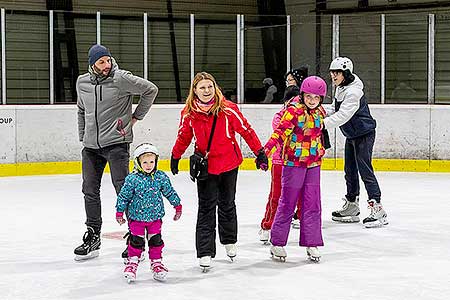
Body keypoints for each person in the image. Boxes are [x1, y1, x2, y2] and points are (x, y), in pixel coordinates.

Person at [170, 71, 268, 270]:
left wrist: (259, 151)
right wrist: (175, 156)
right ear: (195, 91)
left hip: (230, 164)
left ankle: (229, 240)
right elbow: (183, 136)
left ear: (215, 88)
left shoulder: (228, 109)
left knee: (227, 203)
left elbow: (245, 130)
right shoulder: (189, 113)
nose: (206, 91)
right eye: (202, 87)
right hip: (206, 168)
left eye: (209, 87)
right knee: (206, 208)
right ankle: (205, 251)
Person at [74, 44, 159, 261]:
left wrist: (135, 117)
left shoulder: (121, 79)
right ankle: (93, 235)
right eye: (101, 62)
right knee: (90, 190)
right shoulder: (82, 82)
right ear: (92, 64)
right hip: (91, 147)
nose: (106, 65)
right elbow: (81, 109)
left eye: (108, 60)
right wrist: (83, 135)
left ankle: (136, 236)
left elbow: (151, 89)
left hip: (117, 144)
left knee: (124, 189)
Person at [264, 76, 328, 262]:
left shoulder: (320, 112)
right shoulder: (293, 111)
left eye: (316, 98)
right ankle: (277, 242)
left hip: (314, 163)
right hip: (293, 163)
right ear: (302, 95)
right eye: (309, 96)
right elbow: (280, 132)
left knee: (312, 203)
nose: (312, 100)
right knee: (287, 202)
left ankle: (312, 242)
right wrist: (265, 151)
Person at [324, 56, 388, 228]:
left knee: (364, 169)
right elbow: (335, 108)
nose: (333, 76)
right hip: (352, 134)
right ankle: (352, 205)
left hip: (364, 134)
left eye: (337, 72)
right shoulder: (341, 88)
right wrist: (319, 110)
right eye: (332, 72)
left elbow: (344, 115)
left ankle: (378, 208)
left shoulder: (354, 92)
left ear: (346, 73)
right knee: (350, 170)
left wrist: (320, 124)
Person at [116, 143, 182, 282]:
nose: (148, 165)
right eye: (145, 162)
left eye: (151, 161)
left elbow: (169, 192)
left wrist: (177, 205)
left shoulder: (160, 177)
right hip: (136, 218)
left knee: (156, 241)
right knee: (136, 242)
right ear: (138, 162)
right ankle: (132, 263)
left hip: (155, 218)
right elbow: (124, 196)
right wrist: (119, 212)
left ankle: (156, 263)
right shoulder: (132, 179)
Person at [258, 66, 309, 243]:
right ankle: (267, 225)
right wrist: (265, 156)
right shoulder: (279, 118)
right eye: (291, 102)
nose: (293, 106)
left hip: (299, 163)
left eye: (297, 102)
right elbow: (279, 137)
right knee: (276, 196)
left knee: (303, 195)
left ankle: (303, 221)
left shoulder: (306, 116)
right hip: (281, 163)